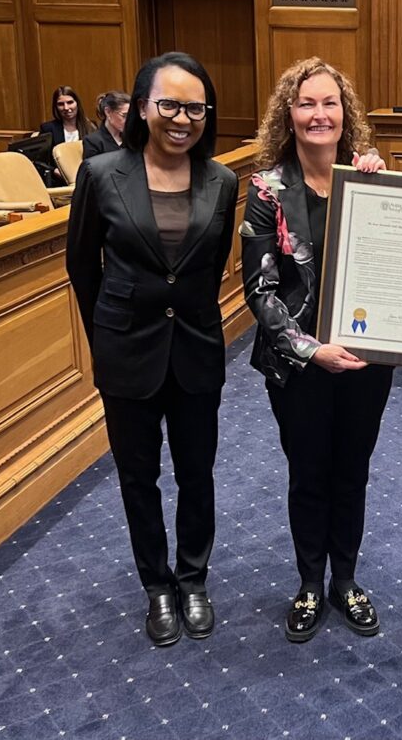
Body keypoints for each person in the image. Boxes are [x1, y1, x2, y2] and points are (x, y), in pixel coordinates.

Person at [66, 52, 238, 648]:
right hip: (126, 351)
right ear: (142, 107)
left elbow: (209, 268)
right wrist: (105, 338)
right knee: (138, 477)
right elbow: (82, 266)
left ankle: (193, 579)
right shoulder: (101, 174)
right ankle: (157, 586)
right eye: (169, 104)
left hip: (195, 347)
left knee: (197, 473)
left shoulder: (222, 181)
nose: (182, 119)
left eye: (195, 108)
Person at [240, 57, 392, 644]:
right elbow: (260, 290)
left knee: (352, 472)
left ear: (344, 113)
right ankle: (309, 583)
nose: (319, 114)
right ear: (290, 114)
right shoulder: (267, 190)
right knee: (308, 474)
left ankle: (345, 581)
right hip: (298, 365)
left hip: (366, 360)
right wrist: (312, 350)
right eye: (307, 103)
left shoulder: (369, 177)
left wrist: (387, 188)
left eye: (330, 103)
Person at [82, 91, 131, 158]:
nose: (129, 120)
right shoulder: (92, 141)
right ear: (108, 112)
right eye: (124, 115)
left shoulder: (132, 137)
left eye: (131, 115)